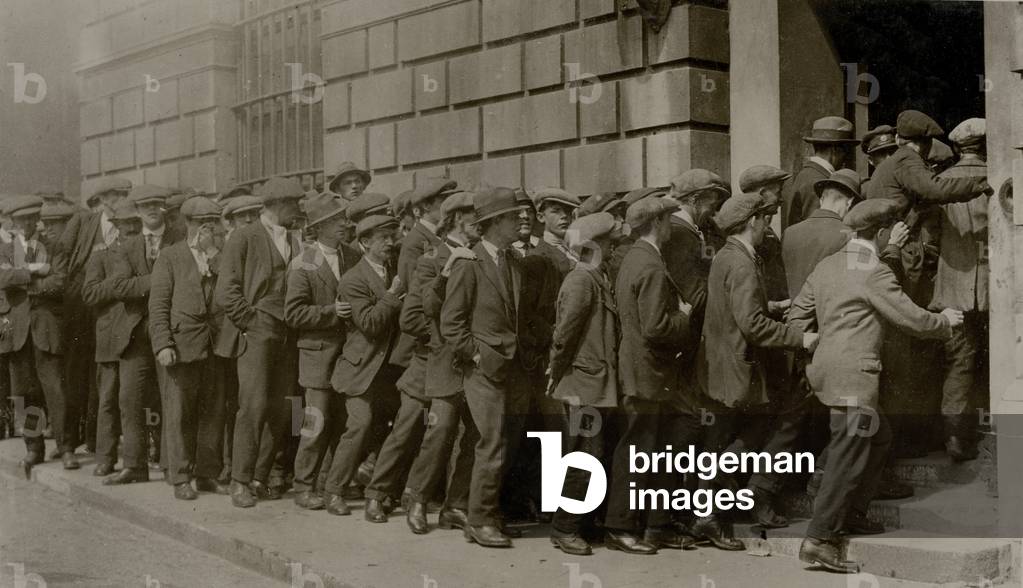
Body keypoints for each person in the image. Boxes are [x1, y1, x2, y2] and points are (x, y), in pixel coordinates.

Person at [790, 198, 962, 573]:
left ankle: (851, 512)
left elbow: (797, 316)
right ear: (882, 232)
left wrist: (823, 344)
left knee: (878, 436)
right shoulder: (873, 269)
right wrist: (945, 320)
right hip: (854, 377)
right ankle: (819, 538)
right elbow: (910, 318)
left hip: (827, 373)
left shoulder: (828, 265)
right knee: (848, 451)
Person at [696, 192, 816, 540]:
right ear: (753, 221)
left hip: (721, 364)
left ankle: (710, 511)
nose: (767, 226)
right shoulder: (743, 264)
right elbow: (752, 325)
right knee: (752, 436)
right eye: (765, 220)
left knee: (730, 439)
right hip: (740, 367)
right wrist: (800, 338)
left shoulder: (727, 257)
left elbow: (737, 311)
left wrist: (773, 305)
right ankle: (709, 515)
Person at [440, 187, 531, 548]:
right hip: (483, 369)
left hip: (512, 368)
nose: (521, 220)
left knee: (503, 442)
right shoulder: (469, 263)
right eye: (514, 216)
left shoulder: (512, 261)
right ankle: (478, 521)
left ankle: (482, 511)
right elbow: (451, 324)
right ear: (494, 223)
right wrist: (477, 355)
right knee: (491, 443)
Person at [605, 196, 692, 555]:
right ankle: (620, 527)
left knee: (652, 450)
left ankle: (657, 525)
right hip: (648, 374)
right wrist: (684, 316)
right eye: (669, 219)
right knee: (638, 450)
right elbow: (656, 327)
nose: (671, 224)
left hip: (644, 372)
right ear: (656, 223)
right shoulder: (651, 265)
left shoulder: (635, 259)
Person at [216, 176, 304, 507]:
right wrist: (251, 323)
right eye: (293, 204)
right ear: (276, 205)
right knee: (251, 407)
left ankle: (260, 476)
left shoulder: (296, 240)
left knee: (282, 408)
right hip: (258, 331)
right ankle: (240, 480)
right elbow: (227, 289)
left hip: (287, 333)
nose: (297, 210)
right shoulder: (244, 237)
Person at [400, 191, 479, 534]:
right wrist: (441, 339)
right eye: (476, 218)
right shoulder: (432, 259)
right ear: (459, 219)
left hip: (476, 361)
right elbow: (411, 317)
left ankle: (456, 505)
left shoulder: (481, 256)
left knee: (476, 434)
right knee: (441, 430)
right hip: (446, 360)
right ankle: (417, 499)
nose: (482, 223)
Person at [546, 212, 624, 556]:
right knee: (584, 456)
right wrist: (557, 372)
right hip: (582, 385)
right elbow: (564, 335)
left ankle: (581, 521)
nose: (610, 248)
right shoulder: (581, 280)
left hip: (594, 382)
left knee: (592, 452)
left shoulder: (596, 277)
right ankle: (565, 527)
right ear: (593, 246)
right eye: (607, 243)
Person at [148, 196, 230, 500]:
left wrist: (213, 255)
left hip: (215, 345)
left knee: (213, 411)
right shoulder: (170, 256)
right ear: (187, 224)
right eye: (199, 223)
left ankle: (207, 473)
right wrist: (163, 344)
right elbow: (158, 305)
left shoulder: (221, 256)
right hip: (180, 346)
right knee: (179, 412)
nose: (206, 229)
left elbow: (228, 290)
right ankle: (180, 475)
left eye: (212, 222)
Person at [285, 192, 361, 510]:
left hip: (348, 356)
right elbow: (293, 314)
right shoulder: (304, 262)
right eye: (337, 220)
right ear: (319, 227)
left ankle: (330, 482)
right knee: (314, 423)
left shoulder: (353, 256)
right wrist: (332, 311)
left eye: (344, 218)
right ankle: (303, 486)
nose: (345, 224)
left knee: (342, 421)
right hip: (317, 356)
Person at [325, 214, 404, 516]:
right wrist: (393, 295)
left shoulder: (393, 270)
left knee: (397, 427)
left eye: (391, 236)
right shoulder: (354, 279)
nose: (389, 242)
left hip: (388, 370)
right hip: (360, 369)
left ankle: (375, 486)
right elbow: (370, 324)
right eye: (382, 238)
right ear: (365, 242)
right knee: (358, 426)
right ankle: (333, 490)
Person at [103, 184, 181, 485]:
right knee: (129, 399)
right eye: (145, 205)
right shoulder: (128, 247)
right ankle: (134, 465)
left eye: (156, 204)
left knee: (170, 398)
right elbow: (120, 287)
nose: (151, 209)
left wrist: (145, 282)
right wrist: (161, 279)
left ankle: (170, 464)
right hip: (134, 333)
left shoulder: (179, 240)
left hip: (171, 330)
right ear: (137, 211)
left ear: (163, 208)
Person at [0, 195, 72, 476]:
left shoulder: (55, 246)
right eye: (21, 219)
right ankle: (34, 447)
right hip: (16, 331)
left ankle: (66, 448)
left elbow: (59, 282)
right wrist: (33, 273)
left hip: (46, 327)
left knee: (56, 390)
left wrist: (24, 283)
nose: (27, 223)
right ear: (12, 222)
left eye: (32, 218)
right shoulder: (4, 249)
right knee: (24, 393)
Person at [930, 118, 989, 461]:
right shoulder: (999, 174)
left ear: (957, 148)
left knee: (960, 362)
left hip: (953, 288)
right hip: (996, 286)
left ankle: (954, 437)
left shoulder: (941, 181)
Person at [60, 176, 131, 459]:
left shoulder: (129, 223)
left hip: (112, 312)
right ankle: (67, 444)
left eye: (125, 195)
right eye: (115, 197)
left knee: (102, 378)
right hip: (81, 308)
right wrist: (70, 291)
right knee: (75, 374)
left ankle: (95, 441)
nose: (121, 202)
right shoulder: (84, 223)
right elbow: (63, 256)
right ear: (102, 200)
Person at [82, 199, 143, 477]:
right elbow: (90, 293)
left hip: (136, 335)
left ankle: (136, 458)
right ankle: (105, 457)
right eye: (126, 223)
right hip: (109, 337)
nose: (131, 227)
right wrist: (120, 283)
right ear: (116, 226)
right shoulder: (102, 254)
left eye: (135, 222)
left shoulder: (146, 250)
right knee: (107, 399)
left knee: (132, 402)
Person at [781, 116, 859, 231]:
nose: (846, 158)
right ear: (834, 150)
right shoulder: (819, 182)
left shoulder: (807, 174)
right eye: (846, 151)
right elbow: (819, 230)